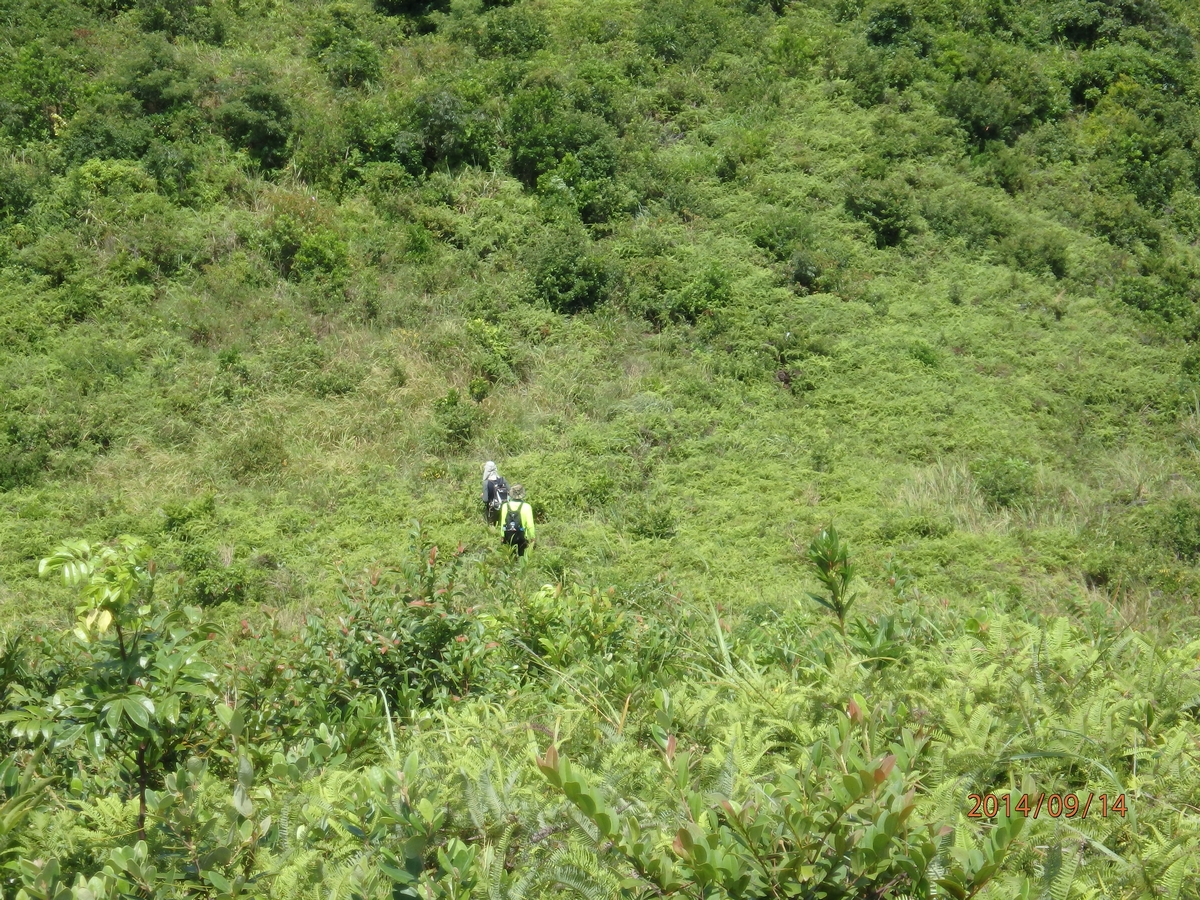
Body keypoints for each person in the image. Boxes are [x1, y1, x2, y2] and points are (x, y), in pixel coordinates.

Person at [499, 483, 535, 556]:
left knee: (510, 557)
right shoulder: (527, 507)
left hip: (508, 536)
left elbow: (503, 523)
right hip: (522, 537)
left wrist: (502, 536)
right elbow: (530, 525)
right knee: (522, 557)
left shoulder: (505, 506)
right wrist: (532, 538)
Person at [482, 460, 509, 525]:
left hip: (493, 508)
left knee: (492, 525)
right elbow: (510, 491)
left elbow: (485, 500)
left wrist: (482, 495)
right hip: (504, 506)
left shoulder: (486, 483)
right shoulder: (503, 479)